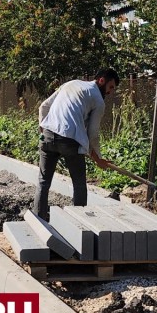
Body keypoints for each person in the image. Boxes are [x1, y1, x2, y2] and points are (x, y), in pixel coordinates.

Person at [33, 68, 120, 221]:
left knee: (43, 182)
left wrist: (43, 129)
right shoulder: (98, 101)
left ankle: (39, 218)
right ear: (102, 80)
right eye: (111, 87)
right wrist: (98, 158)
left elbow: (43, 107)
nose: (110, 92)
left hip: (47, 136)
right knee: (79, 184)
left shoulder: (71, 84)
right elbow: (93, 134)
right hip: (70, 141)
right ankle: (78, 222)